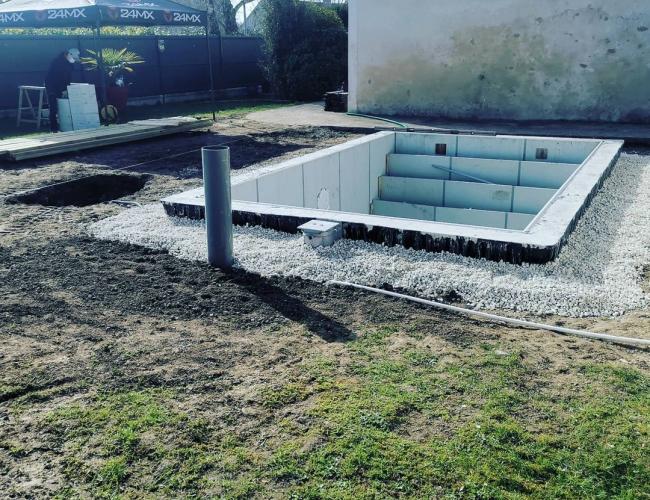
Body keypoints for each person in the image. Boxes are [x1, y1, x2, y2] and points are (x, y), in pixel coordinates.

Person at [44, 49, 79, 132]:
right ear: (67, 55)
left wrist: (66, 88)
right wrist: (63, 89)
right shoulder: (57, 63)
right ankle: (54, 129)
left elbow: (67, 77)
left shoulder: (70, 64)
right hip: (52, 86)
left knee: (63, 107)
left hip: (61, 86)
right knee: (53, 107)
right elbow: (58, 78)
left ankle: (64, 126)